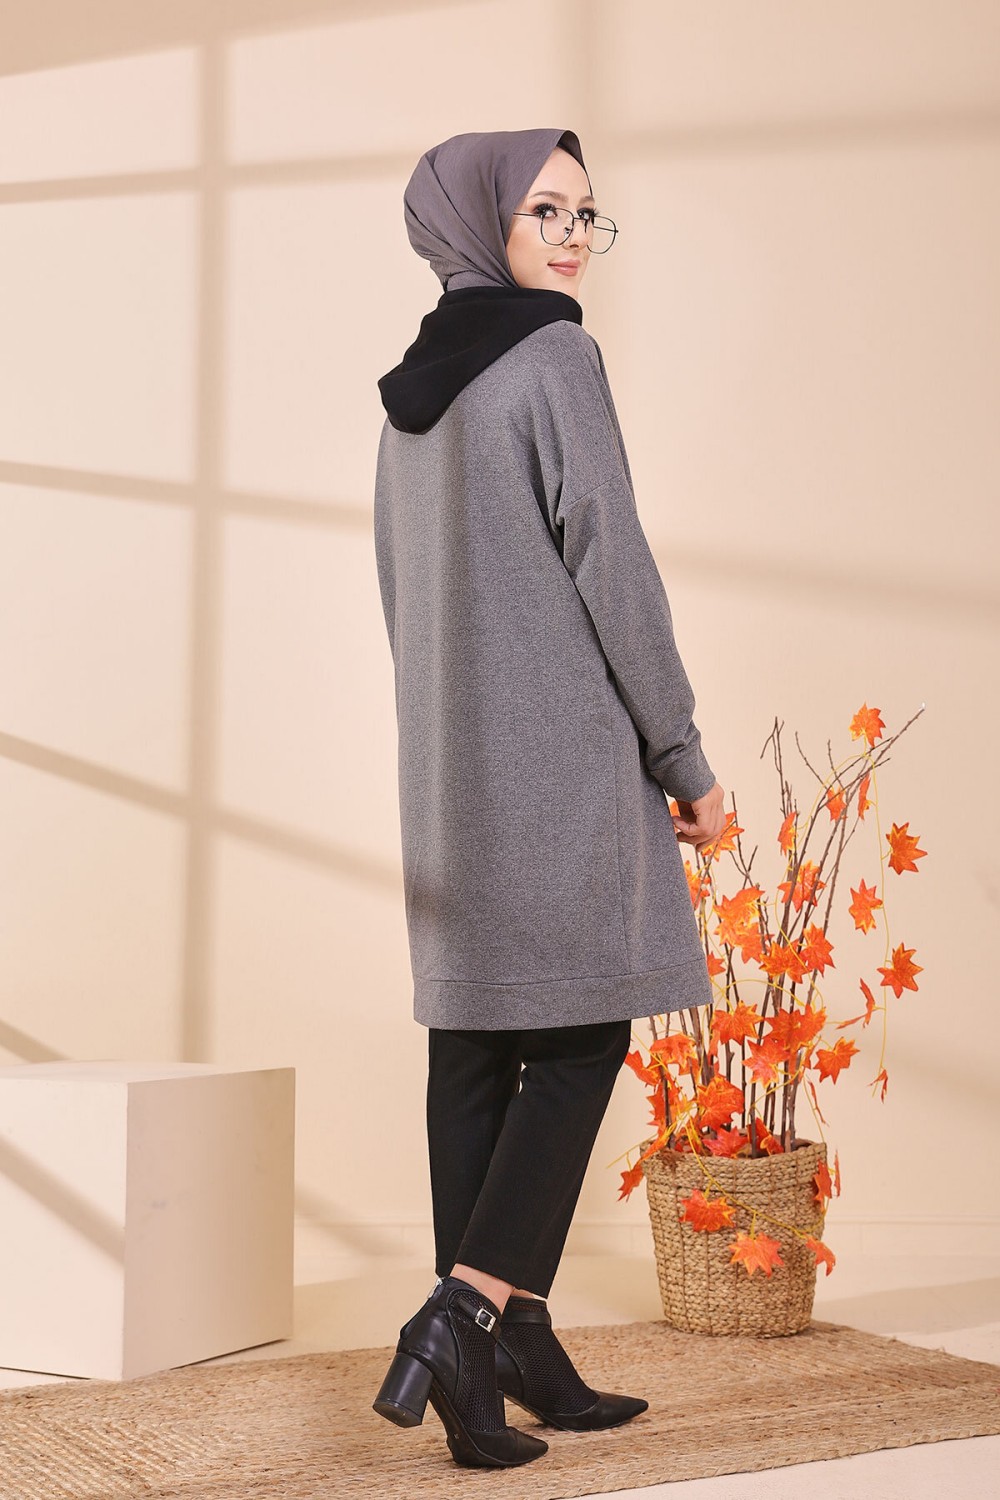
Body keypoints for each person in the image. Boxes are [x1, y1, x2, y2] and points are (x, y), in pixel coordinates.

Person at [370, 128, 726, 1470]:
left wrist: (444, 741)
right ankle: (466, 1313)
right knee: (578, 1039)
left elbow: (402, 598)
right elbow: (611, 564)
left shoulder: (410, 397)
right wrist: (681, 756)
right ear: (483, 224)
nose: (573, 237)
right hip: (562, 761)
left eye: (586, 214)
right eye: (545, 211)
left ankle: (504, 1359)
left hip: (446, 767)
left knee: (472, 1052)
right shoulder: (555, 359)